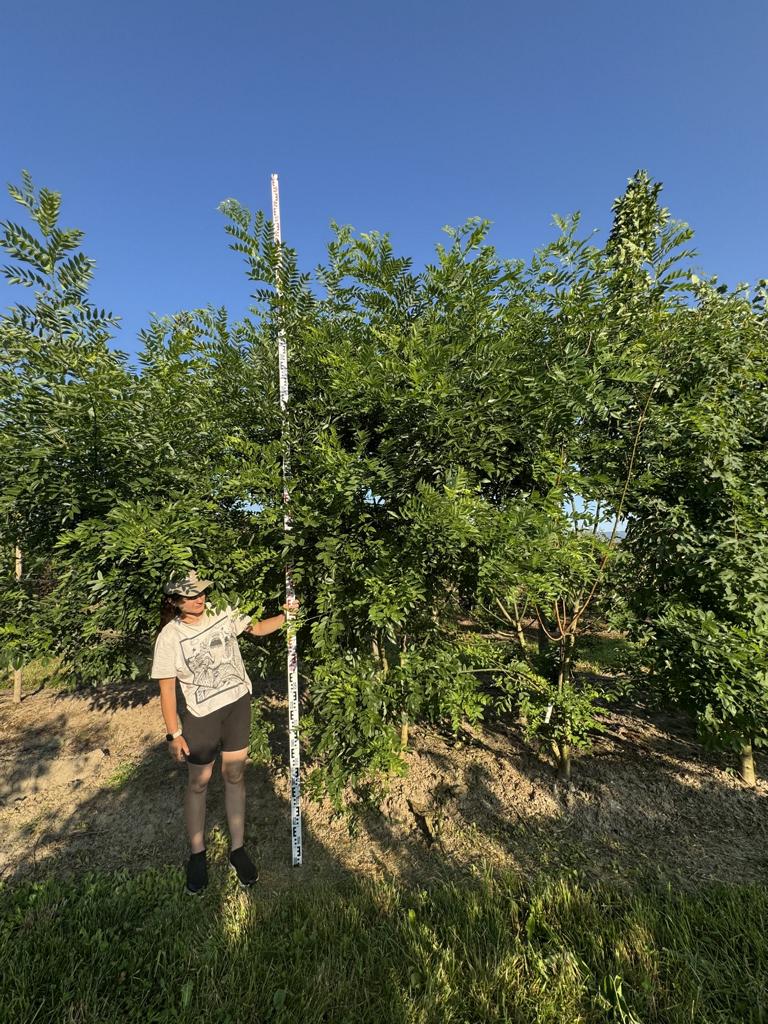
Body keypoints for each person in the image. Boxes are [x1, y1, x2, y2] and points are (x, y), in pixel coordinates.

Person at [151, 570, 298, 895]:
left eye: (201, 592)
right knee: (199, 783)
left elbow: (257, 628)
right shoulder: (169, 637)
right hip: (202, 716)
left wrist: (286, 616)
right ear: (175, 601)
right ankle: (197, 855)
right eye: (190, 595)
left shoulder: (223, 611)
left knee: (234, 776)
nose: (199, 598)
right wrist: (174, 733)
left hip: (237, 707)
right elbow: (167, 690)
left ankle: (237, 850)